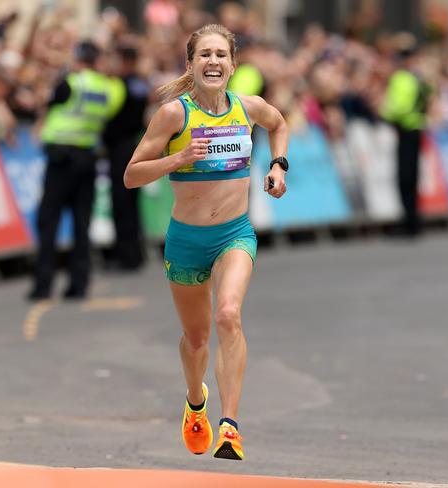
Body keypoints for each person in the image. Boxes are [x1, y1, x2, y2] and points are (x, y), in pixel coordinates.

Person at [124, 24, 288, 460]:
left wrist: (278, 166)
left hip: (234, 233)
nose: (213, 61)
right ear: (191, 64)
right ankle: (195, 401)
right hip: (186, 241)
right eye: (204, 55)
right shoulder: (174, 115)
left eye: (221, 55)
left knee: (229, 315)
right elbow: (130, 175)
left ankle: (229, 426)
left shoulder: (247, 108)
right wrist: (177, 158)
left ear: (233, 65)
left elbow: (279, 122)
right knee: (195, 340)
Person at [28, 41, 123, 301]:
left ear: (79, 59)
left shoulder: (72, 82)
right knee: (82, 224)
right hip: (88, 157)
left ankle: (42, 285)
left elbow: (48, 103)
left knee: (49, 222)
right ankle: (79, 284)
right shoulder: (107, 89)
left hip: (61, 158)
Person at [103, 43, 149, 271]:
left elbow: (106, 113)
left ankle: (125, 256)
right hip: (136, 145)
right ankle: (136, 253)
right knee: (132, 203)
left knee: (121, 202)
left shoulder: (117, 85)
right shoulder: (141, 84)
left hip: (119, 147)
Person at [381, 34, 430, 238]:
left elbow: (398, 107)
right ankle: (413, 220)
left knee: (405, 178)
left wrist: (384, 113)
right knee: (413, 177)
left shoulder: (401, 78)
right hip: (417, 128)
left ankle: (409, 221)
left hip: (405, 129)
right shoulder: (418, 79)